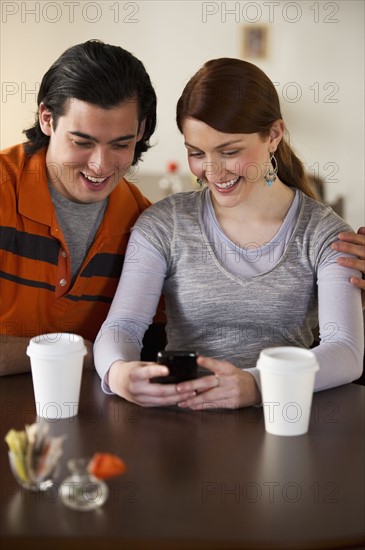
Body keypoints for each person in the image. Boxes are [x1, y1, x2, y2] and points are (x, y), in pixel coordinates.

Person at [94, 57, 364, 409]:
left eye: (230, 151)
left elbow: (345, 351)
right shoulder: (163, 225)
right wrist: (119, 373)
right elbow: (123, 327)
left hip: (282, 421)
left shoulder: (325, 235)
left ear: (273, 135)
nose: (212, 171)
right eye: (196, 153)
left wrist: (256, 385)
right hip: (182, 427)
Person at [0, 39, 163, 376]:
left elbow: (152, 350)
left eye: (120, 144)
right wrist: (79, 352)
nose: (101, 165)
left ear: (141, 130)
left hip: (90, 421)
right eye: (82, 142)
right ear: (47, 118)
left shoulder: (146, 224)